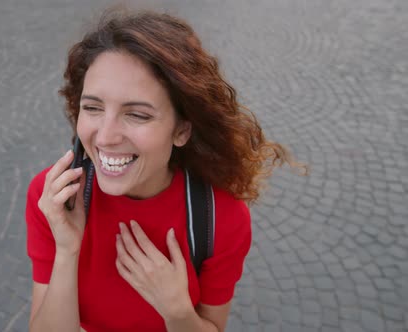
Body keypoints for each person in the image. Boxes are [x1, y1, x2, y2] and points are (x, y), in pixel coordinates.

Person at [26, 8, 302, 332]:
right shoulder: (54, 199)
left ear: (182, 130)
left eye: (137, 115)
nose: (105, 136)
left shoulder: (220, 217)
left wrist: (177, 310)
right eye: (93, 108)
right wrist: (66, 250)